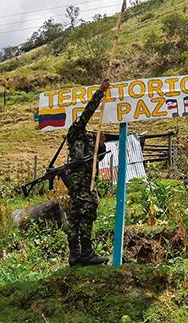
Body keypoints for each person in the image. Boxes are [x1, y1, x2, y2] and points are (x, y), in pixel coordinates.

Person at [62, 79, 110, 266]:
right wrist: (100, 92)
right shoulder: (75, 131)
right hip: (79, 183)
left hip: (87, 181)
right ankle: (84, 254)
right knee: (85, 214)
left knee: (76, 216)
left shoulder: (89, 138)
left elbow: (96, 159)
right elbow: (87, 113)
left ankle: (76, 256)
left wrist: (101, 146)